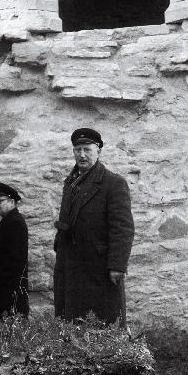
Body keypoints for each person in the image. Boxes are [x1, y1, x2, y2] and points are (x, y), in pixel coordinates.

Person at [53, 127, 134, 324]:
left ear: (98, 151)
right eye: (77, 150)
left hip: (99, 268)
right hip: (70, 265)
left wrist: (117, 265)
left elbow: (123, 228)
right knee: (71, 322)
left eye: (87, 149)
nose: (82, 155)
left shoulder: (113, 183)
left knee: (103, 323)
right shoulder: (70, 183)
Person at [0, 182, 29, 320]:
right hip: (0, 287)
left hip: (7, 290)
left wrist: (4, 291)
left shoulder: (15, 223)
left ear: (12, 201)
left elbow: (15, 261)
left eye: (0, 201)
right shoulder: (8, 221)